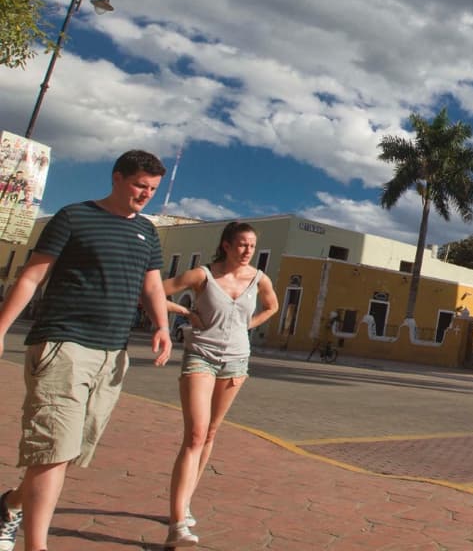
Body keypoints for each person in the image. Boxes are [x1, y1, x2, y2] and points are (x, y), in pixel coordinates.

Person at [0, 150, 172, 551]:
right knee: (54, 450)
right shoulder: (74, 217)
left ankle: (8, 506)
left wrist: (162, 326)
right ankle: (36, 545)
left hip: (112, 355)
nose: (145, 195)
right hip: (64, 344)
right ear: (116, 178)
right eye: (139, 185)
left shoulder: (147, 232)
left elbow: (151, 286)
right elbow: (33, 276)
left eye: (152, 189)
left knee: (66, 451)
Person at [161, 222, 278, 547]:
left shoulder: (259, 279)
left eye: (252, 246)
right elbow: (157, 290)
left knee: (211, 432)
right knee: (196, 434)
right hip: (201, 356)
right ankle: (177, 523)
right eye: (241, 245)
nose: (247, 251)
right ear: (226, 245)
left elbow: (272, 306)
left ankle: (184, 502)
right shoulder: (202, 275)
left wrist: (246, 326)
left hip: (237, 361)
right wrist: (184, 311)